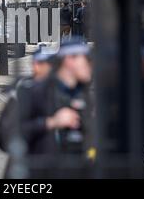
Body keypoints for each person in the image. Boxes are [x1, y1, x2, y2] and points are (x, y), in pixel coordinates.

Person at [17, 39, 93, 178]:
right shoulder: (37, 91)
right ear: (69, 60)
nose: (91, 65)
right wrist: (52, 122)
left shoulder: (86, 95)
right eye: (87, 59)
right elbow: (14, 133)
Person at [0, 46, 56, 178]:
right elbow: (5, 137)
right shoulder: (23, 92)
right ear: (36, 65)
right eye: (48, 64)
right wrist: (47, 124)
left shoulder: (64, 93)